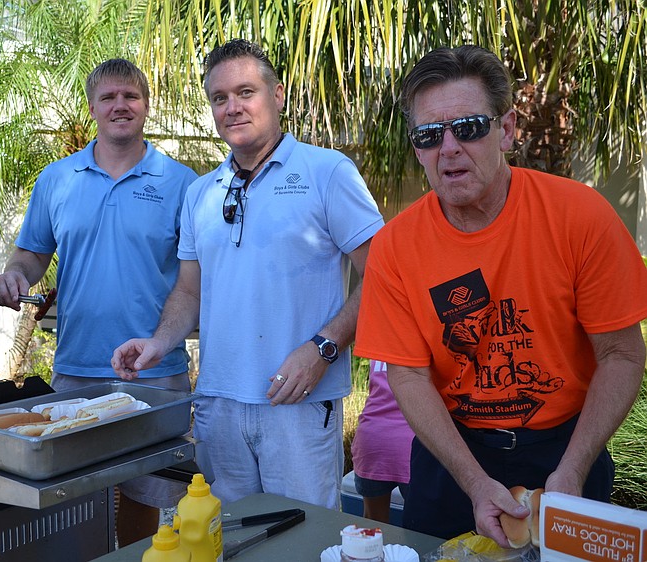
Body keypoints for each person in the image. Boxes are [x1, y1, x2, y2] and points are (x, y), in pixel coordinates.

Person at [355, 44, 647, 546]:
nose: (449, 148)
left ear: (507, 130)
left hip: (567, 448)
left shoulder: (581, 217)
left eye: (468, 128)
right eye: (429, 135)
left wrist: (573, 468)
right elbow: (408, 374)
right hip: (453, 454)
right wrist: (473, 482)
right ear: (418, 148)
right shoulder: (395, 246)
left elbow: (621, 353)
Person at [111, 39, 384, 510]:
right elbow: (189, 290)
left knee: (304, 537)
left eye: (245, 92)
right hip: (217, 405)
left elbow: (383, 274)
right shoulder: (201, 193)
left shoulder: (327, 172)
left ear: (277, 95)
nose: (232, 107)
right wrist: (159, 342)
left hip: (298, 404)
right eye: (219, 98)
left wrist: (324, 348)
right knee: (227, 537)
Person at [0, 58, 198, 546]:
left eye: (130, 96)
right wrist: (15, 274)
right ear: (92, 107)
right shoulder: (57, 179)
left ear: (146, 105)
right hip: (76, 369)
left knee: (146, 495)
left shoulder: (182, 183)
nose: (120, 105)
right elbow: (32, 253)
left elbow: (195, 280)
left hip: (154, 372)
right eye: (108, 97)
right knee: (75, 501)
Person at [351, 360, 413, 523]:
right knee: (421, 529)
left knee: (373, 525)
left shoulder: (378, 344)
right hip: (415, 443)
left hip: (372, 437)